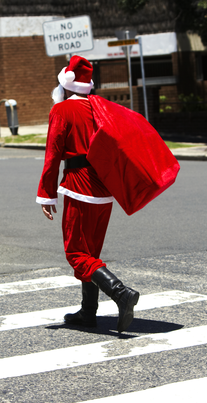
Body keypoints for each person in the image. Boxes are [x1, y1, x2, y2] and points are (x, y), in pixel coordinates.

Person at [36, 55, 140, 333]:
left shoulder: (62, 110)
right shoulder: (100, 107)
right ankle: (88, 312)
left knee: (76, 253)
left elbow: (53, 154)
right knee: (90, 252)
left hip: (78, 186)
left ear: (66, 85)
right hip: (104, 189)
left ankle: (120, 293)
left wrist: (46, 194)